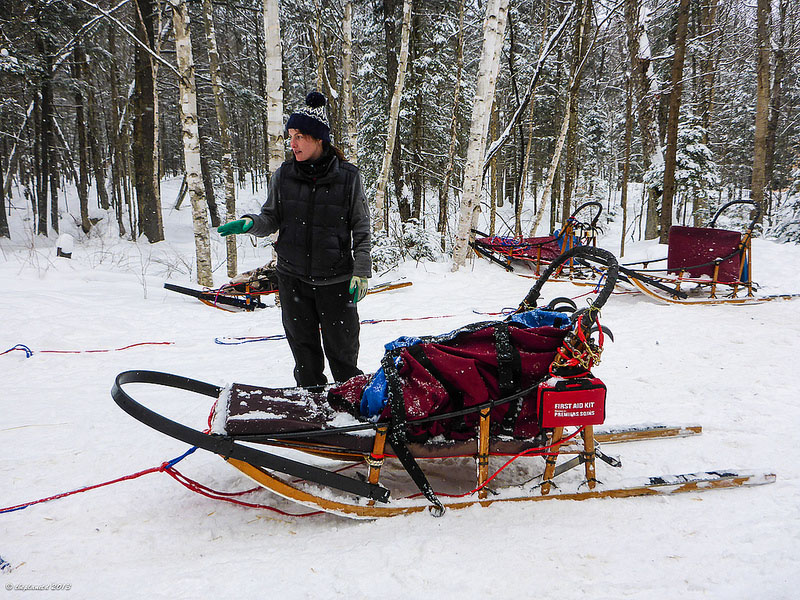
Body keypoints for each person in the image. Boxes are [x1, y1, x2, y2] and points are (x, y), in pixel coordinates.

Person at [218, 92, 371, 390]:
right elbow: (270, 218)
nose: (293, 143)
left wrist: (361, 271)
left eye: (300, 136)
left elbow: (362, 228)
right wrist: (251, 223)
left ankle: (353, 416)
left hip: (336, 282)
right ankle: (311, 414)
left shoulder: (348, 178)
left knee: (343, 357)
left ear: (318, 138)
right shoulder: (284, 175)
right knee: (305, 359)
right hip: (293, 280)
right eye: (291, 135)